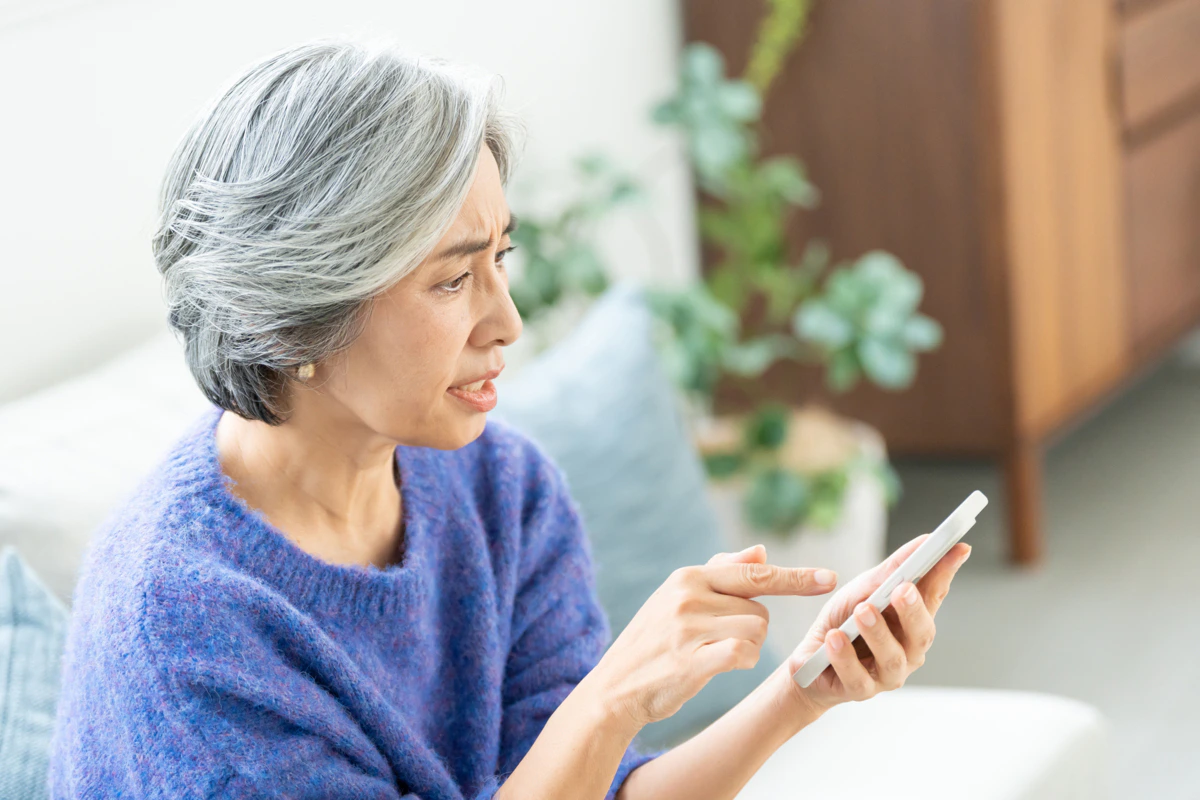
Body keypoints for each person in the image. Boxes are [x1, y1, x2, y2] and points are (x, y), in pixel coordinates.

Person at [48, 38, 970, 799]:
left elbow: (586, 788)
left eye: (502, 258)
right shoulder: (184, 624)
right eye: (453, 280)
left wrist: (804, 690)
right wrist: (611, 697)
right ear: (298, 320)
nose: (507, 322)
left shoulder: (502, 487)